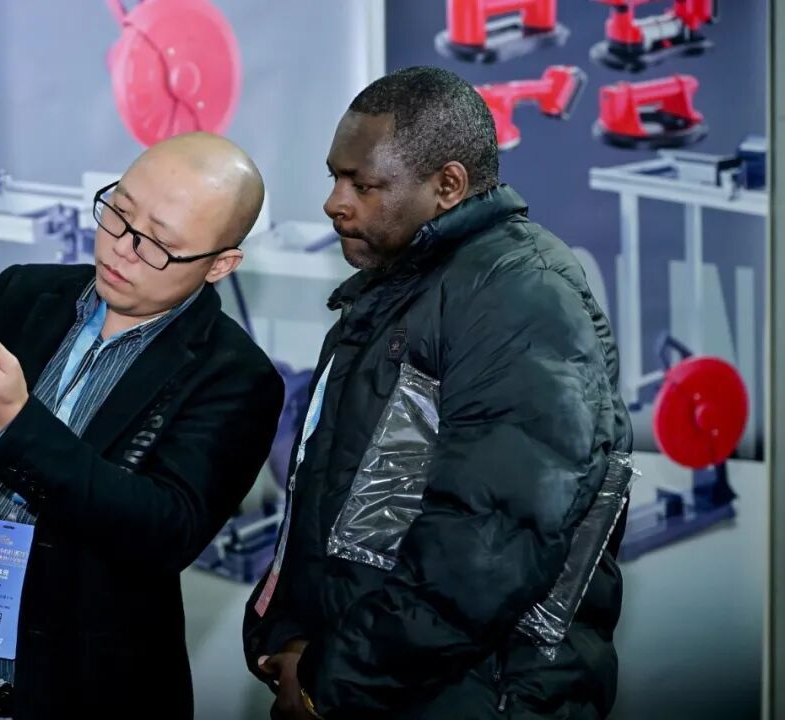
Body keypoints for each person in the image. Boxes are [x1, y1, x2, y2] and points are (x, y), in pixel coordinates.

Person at [243, 66, 633, 720]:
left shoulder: (520, 296)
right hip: (384, 687)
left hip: (478, 696)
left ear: (447, 186)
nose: (334, 202)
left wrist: (332, 677)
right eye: (334, 178)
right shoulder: (402, 288)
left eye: (362, 184)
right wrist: (292, 641)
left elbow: (489, 544)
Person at [0, 131, 285, 720]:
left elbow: (163, 531)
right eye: (119, 213)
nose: (122, 248)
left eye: (160, 244)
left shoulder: (235, 376)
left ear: (220, 265)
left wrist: (13, 421)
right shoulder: (28, 294)